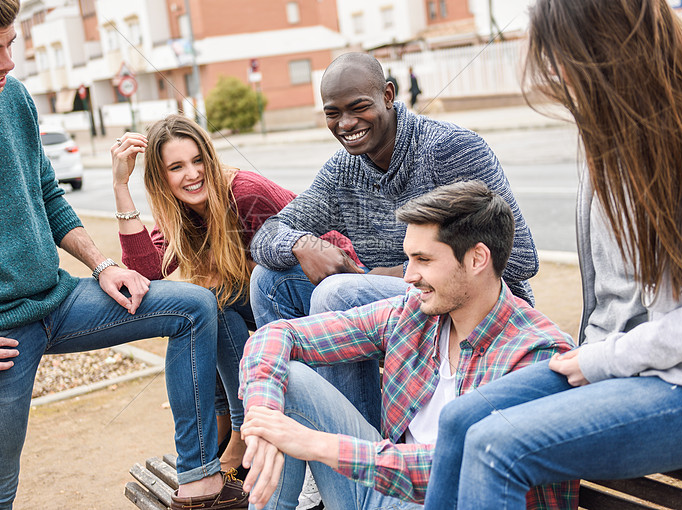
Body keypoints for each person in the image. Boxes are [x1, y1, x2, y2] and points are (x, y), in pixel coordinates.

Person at [0, 0, 247, 510]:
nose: (7, 62)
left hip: (61, 300)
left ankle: (199, 479)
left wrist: (103, 266)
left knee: (194, 307)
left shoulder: (12, 95)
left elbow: (50, 197)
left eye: (11, 43)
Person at [422, 0, 682, 509]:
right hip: (624, 360)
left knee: (499, 447)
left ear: (615, 53)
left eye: (568, 63)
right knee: (461, 418)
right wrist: (598, 354)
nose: (561, 80)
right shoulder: (622, 128)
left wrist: (603, 360)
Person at [238, 181, 576, 510]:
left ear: (476, 259)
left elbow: (463, 469)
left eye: (423, 260)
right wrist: (264, 414)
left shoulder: (536, 355)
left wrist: (317, 445)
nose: (408, 276)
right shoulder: (415, 314)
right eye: (408, 259)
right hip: (386, 493)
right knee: (286, 380)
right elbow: (279, 335)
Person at [249, 51, 538, 432]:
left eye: (358, 107)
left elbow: (520, 259)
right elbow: (268, 234)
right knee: (269, 284)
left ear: (388, 95)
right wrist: (303, 244)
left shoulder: (448, 150)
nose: (346, 123)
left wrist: (404, 270)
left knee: (336, 295)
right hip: (399, 309)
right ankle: (321, 433)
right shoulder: (343, 170)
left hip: (477, 310)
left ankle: (362, 457)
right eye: (333, 113)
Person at [111, 115, 359, 475]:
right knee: (201, 307)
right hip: (267, 303)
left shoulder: (245, 194)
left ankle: (243, 426)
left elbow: (303, 257)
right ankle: (224, 419)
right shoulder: (181, 212)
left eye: (198, 161)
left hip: (319, 295)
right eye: (176, 167)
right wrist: (121, 186)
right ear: (161, 178)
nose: (192, 174)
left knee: (216, 299)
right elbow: (147, 271)